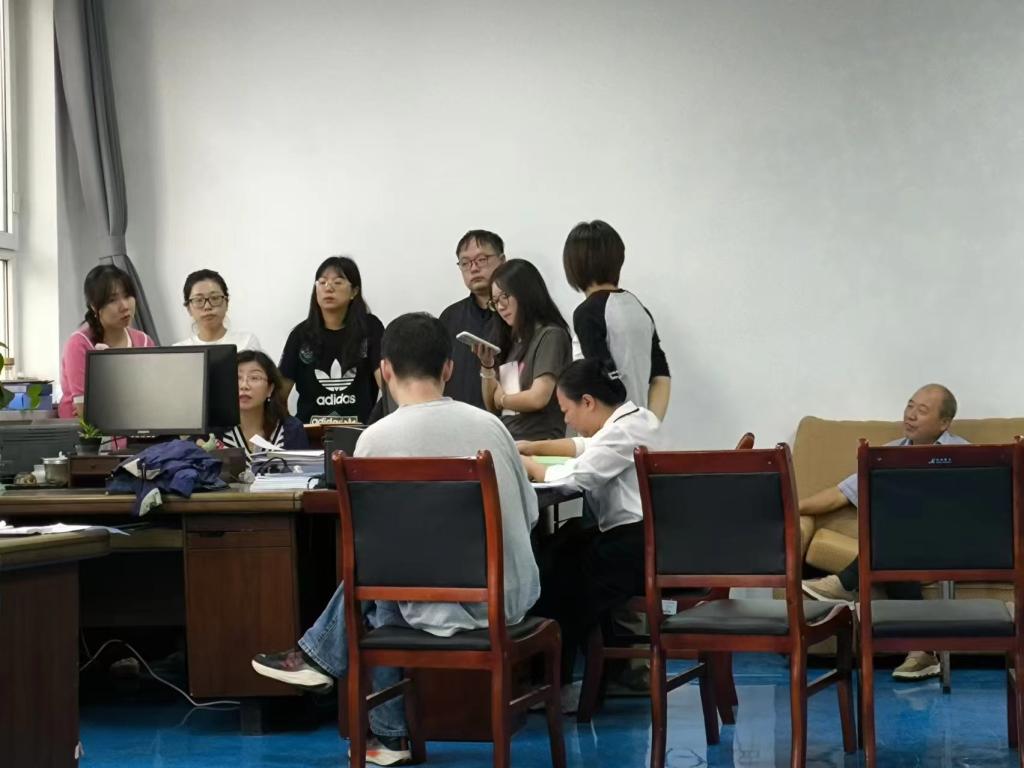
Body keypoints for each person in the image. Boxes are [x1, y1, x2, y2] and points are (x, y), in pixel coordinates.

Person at [252, 312, 540, 766]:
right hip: (505, 599)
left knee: (379, 588)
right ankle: (387, 739)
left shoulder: (375, 440)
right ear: (449, 368)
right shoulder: (492, 427)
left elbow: (376, 547)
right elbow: (530, 513)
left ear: (384, 370)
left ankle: (324, 662)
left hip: (434, 602)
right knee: (383, 594)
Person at [801, 383, 967, 681]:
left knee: (901, 521)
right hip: (903, 544)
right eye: (909, 406)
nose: (910, 415)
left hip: (952, 541)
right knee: (894, 535)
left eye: (922, 410)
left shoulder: (964, 455)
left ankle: (846, 582)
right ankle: (923, 652)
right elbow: (841, 494)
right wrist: (791, 507)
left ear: (944, 423)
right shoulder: (887, 454)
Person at [518, 358, 662, 701]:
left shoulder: (625, 432)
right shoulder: (634, 419)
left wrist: (524, 463)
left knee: (556, 583)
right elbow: (585, 447)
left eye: (566, 411)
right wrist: (533, 446)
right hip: (644, 538)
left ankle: (553, 687)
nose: (566, 421)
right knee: (559, 549)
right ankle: (557, 681)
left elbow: (575, 476)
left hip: (638, 546)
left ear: (588, 402)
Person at [563, 220, 671, 421]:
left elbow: (601, 383)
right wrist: (651, 424)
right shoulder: (639, 309)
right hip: (638, 428)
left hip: (609, 428)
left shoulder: (587, 313)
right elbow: (661, 375)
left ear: (573, 265)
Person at [472, 259, 572, 441]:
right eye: (495, 301)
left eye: (505, 296)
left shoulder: (550, 335)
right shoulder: (511, 341)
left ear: (526, 293)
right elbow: (492, 406)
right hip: (508, 440)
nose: (500, 306)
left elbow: (538, 398)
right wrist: (487, 366)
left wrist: (502, 400)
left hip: (539, 442)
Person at [279, 256, 384, 425]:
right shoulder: (300, 335)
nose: (328, 288)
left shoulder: (370, 329)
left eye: (337, 282)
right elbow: (279, 395)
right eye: (322, 282)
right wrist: (291, 431)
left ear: (354, 291)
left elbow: (388, 386)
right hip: (310, 433)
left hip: (360, 432)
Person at [58, 264, 156, 419]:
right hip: (83, 432)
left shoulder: (144, 341)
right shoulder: (79, 344)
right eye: (112, 300)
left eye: (127, 296)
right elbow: (86, 413)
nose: (124, 306)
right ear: (94, 306)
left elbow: (153, 400)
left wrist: (106, 404)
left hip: (137, 429)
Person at [438, 230, 506, 408]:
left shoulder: (515, 313)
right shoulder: (449, 317)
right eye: (465, 263)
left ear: (502, 260)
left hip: (507, 418)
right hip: (457, 418)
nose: (474, 268)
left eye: (481, 260)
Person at [218, 351, 307, 458]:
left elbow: (302, 467)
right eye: (237, 377)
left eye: (254, 378)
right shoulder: (214, 431)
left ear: (270, 389)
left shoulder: (291, 429)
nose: (244, 385)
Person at [173, 269, 261, 350]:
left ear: (226, 303)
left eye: (214, 298)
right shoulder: (178, 350)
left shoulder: (246, 343)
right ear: (188, 308)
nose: (207, 306)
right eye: (199, 300)